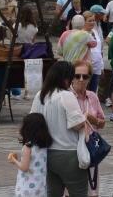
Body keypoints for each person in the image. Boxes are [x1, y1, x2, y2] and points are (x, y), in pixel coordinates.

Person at [31, 62, 88, 197]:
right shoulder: (66, 95)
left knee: (53, 193)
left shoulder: (40, 95)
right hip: (68, 154)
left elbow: (32, 122)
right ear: (65, 78)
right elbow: (77, 125)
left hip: (47, 153)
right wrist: (84, 117)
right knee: (79, 192)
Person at [71, 62, 106, 196]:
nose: (81, 79)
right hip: (72, 148)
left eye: (85, 77)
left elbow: (102, 123)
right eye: (77, 76)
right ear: (71, 77)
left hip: (91, 147)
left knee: (93, 190)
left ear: (90, 78)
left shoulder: (92, 96)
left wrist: (93, 119)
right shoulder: (66, 96)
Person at [8, 112, 52, 197]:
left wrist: (14, 160)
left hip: (26, 188)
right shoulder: (44, 145)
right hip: (40, 187)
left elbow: (24, 167)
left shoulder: (28, 147)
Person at [86, 7, 106, 92]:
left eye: (93, 20)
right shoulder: (83, 33)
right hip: (86, 67)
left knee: (93, 92)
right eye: (89, 21)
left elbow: (99, 50)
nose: (92, 22)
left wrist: (101, 66)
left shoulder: (95, 32)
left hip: (96, 67)